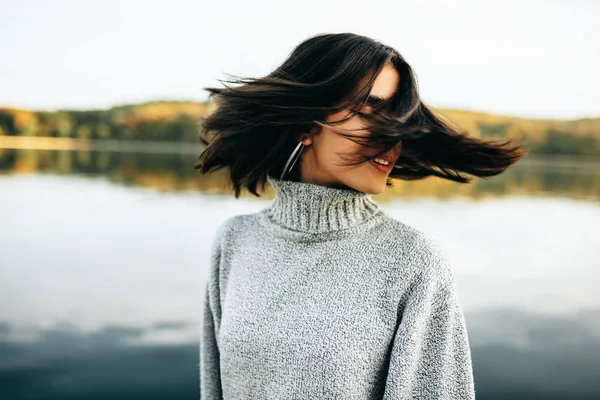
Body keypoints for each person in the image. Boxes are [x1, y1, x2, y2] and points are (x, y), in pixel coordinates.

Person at [196, 32, 526, 399]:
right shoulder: (236, 240)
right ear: (306, 125)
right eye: (371, 109)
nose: (392, 138)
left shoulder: (412, 261)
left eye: (399, 118)